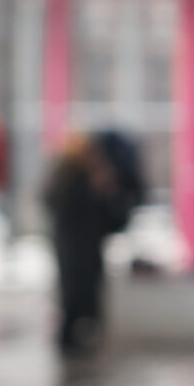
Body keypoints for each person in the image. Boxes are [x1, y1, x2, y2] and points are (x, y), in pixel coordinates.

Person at [41, 133, 131, 356]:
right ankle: (69, 346)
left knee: (88, 301)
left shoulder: (96, 177)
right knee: (72, 300)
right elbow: (55, 204)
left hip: (88, 249)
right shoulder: (66, 178)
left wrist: (109, 192)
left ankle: (80, 344)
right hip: (71, 248)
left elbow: (114, 218)